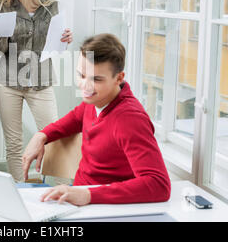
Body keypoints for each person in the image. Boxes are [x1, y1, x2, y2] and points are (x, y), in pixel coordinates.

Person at [22, 33, 171, 206]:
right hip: (76, 196)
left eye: (97, 79)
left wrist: (88, 195)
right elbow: (73, 119)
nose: (86, 86)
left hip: (100, 206)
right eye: (82, 75)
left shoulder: (130, 120)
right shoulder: (95, 100)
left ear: (119, 78)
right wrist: (41, 135)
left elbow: (159, 184)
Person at [0, 0, 73, 183]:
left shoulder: (50, 7)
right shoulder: (1, 4)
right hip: (8, 81)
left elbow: (55, 46)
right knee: (14, 143)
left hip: (41, 80)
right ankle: (20, 191)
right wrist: (0, 31)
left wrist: (66, 38)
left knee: (54, 138)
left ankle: (55, 190)